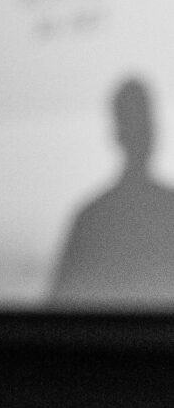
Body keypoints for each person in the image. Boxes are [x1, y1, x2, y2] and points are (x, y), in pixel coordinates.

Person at [49, 75, 174, 303]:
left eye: (145, 123)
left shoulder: (90, 219)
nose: (144, 132)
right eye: (138, 123)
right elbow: (60, 312)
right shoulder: (91, 221)